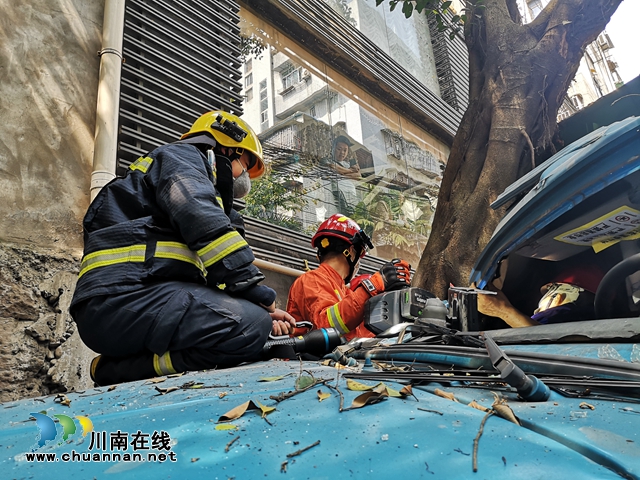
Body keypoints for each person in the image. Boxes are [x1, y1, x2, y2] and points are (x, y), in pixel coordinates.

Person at [70, 111, 296, 385]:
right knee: (250, 326)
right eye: (244, 166)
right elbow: (201, 217)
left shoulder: (211, 199)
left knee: (254, 323)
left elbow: (216, 274)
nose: (244, 179)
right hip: (122, 299)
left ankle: (117, 368)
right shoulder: (182, 158)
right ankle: (115, 371)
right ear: (225, 147)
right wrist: (257, 292)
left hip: (140, 301)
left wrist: (263, 311)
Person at [287, 214, 412, 341]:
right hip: (307, 359)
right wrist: (373, 285)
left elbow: (360, 335)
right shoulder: (312, 279)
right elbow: (326, 326)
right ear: (351, 251)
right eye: (360, 254)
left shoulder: (344, 291)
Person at [477, 266, 603, 327]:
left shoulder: (557, 313)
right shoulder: (595, 325)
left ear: (559, 297)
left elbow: (538, 337)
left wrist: (501, 310)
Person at [325, 136, 361, 216]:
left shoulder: (347, 164)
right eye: (339, 149)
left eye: (345, 150)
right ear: (333, 148)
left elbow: (358, 176)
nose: (342, 153)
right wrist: (351, 171)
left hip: (351, 198)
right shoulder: (326, 160)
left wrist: (342, 173)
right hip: (337, 198)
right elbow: (334, 167)